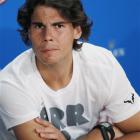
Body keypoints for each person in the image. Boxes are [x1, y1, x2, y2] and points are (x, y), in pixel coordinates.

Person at [0, 0, 140, 140]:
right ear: (29, 32)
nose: (48, 36)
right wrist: (101, 135)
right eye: (38, 26)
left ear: (77, 30)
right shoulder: (11, 82)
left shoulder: (103, 64)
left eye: (58, 25)